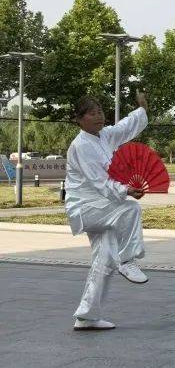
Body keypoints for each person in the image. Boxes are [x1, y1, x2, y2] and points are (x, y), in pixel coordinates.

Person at [65, 92, 150, 331]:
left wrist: (141, 110)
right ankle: (128, 259)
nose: (99, 117)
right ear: (79, 119)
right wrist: (126, 191)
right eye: (92, 113)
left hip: (103, 207)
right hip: (87, 207)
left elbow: (124, 127)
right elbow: (99, 182)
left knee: (103, 261)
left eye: (100, 112)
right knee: (130, 208)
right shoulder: (81, 145)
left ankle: (87, 316)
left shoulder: (104, 137)